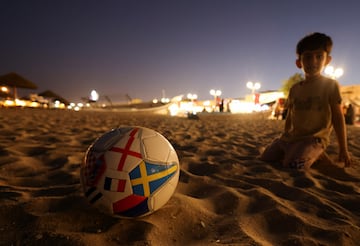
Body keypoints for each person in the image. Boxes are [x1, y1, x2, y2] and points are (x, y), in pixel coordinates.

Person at [260, 32, 353, 169]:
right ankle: (302, 153)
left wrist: (343, 149)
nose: (313, 61)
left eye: (319, 56)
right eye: (308, 57)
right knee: (266, 157)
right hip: (291, 138)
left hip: (314, 139)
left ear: (327, 60)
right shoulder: (294, 89)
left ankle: (316, 153)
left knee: (293, 164)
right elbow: (290, 116)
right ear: (299, 62)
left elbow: (338, 117)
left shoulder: (330, 85)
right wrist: (285, 136)